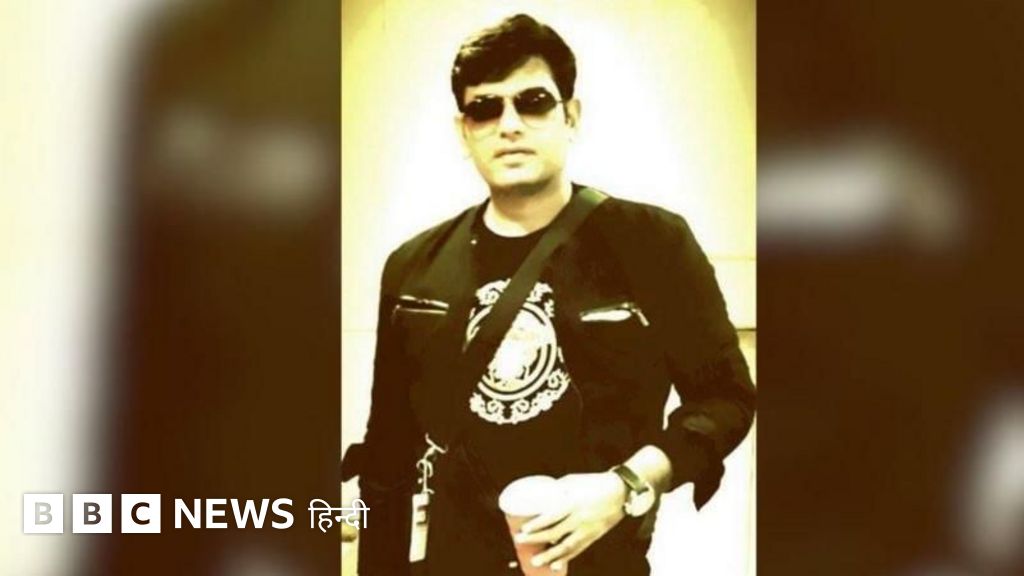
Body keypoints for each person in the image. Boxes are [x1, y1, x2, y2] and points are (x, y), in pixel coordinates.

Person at [344, 13, 756, 576]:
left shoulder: (650, 242)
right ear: (464, 131)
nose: (509, 124)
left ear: (571, 116)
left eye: (533, 102)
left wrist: (626, 485)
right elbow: (387, 453)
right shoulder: (415, 267)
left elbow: (726, 399)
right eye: (485, 108)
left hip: (600, 566)